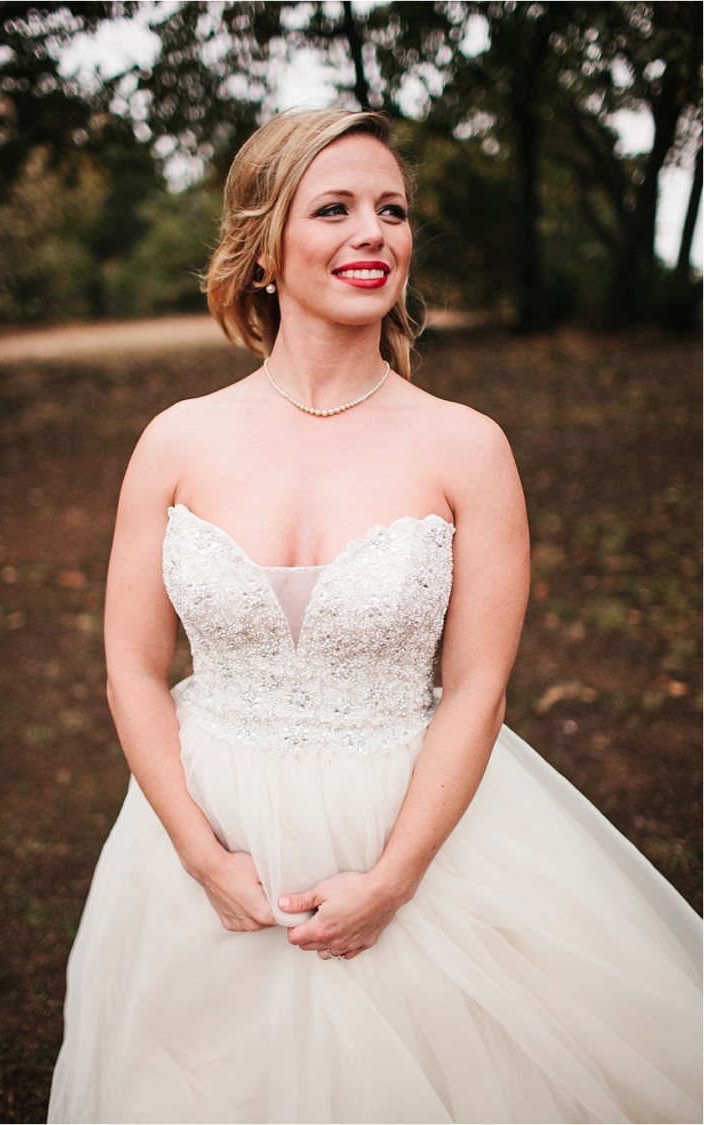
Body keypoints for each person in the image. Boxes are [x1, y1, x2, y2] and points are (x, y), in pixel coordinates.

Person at [47, 110, 701, 1124]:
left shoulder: (466, 448)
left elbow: (479, 684)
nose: (375, 233)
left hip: (414, 827)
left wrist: (394, 879)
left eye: (392, 210)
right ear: (264, 250)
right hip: (207, 828)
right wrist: (199, 854)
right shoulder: (176, 440)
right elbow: (132, 668)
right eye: (337, 208)